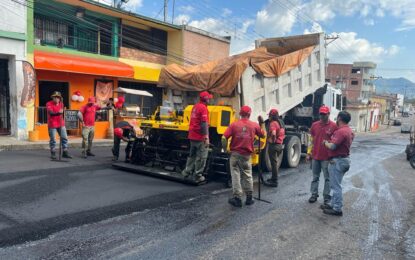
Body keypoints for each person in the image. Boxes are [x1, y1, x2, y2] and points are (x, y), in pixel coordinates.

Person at [223, 105, 265, 207]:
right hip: (246, 155)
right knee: (247, 175)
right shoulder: (254, 125)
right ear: (249, 114)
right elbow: (263, 135)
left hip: (235, 154)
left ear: (240, 114)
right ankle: (249, 198)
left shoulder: (233, 125)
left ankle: (237, 199)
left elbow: (224, 138)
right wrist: (262, 124)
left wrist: (225, 149)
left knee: (236, 175)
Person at [321, 111, 354, 216]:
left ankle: (337, 209)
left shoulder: (341, 131)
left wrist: (325, 143)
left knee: (336, 186)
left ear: (339, 118)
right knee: (335, 184)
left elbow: (333, 146)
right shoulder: (349, 131)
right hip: (344, 159)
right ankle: (332, 204)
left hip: (338, 161)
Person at [307, 106, 337, 204]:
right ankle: (314, 194)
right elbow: (311, 140)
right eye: (321, 114)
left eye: (324, 114)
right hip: (315, 156)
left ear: (328, 114)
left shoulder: (333, 126)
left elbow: (336, 141)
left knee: (327, 178)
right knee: (315, 177)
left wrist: (334, 156)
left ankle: (326, 197)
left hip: (327, 158)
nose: (322, 116)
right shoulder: (314, 125)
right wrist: (308, 153)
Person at [181, 91, 213, 183]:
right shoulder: (203, 108)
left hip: (192, 135)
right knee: (201, 157)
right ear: (206, 99)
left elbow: (197, 121)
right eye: (209, 98)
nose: (210, 99)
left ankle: (186, 172)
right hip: (200, 137)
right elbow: (203, 124)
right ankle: (198, 175)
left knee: (192, 155)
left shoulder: (195, 106)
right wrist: (206, 137)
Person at [46, 91, 72, 159]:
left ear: (60, 98)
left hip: (61, 123)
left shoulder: (61, 104)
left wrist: (62, 112)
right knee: (53, 139)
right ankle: (53, 153)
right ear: (53, 98)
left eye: (58, 97)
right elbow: (51, 113)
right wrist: (58, 112)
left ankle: (65, 152)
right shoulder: (49, 103)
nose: (56, 99)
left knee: (64, 138)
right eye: (55, 97)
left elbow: (61, 113)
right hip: (52, 124)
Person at [264, 108, 285, 188]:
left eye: (269, 115)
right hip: (279, 145)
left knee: (274, 164)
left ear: (271, 116)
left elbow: (273, 133)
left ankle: (274, 181)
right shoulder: (280, 122)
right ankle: (273, 178)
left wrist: (272, 140)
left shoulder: (273, 123)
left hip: (274, 145)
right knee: (274, 163)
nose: (268, 117)